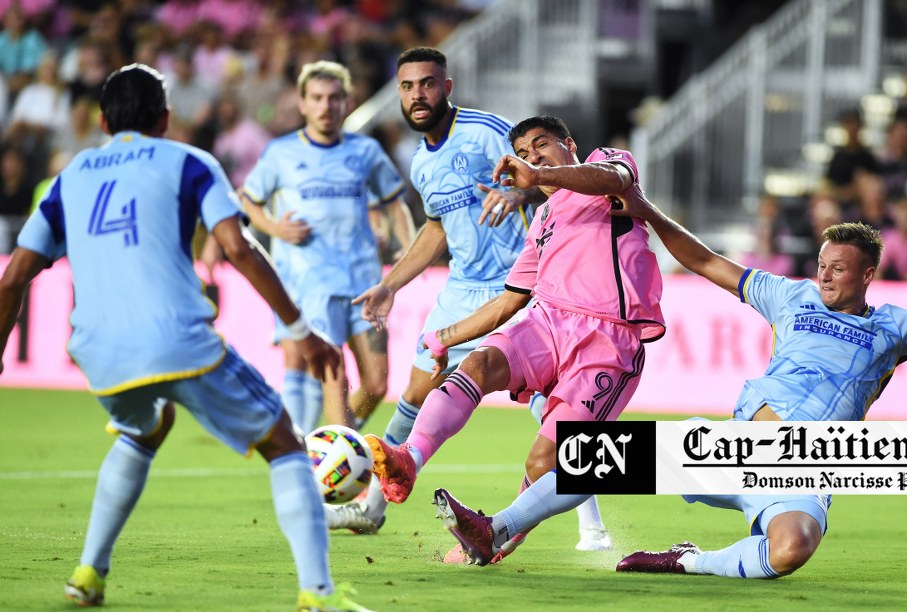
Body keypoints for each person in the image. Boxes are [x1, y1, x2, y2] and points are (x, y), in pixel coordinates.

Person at [0, 64, 384, 612]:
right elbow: (238, 247)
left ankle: (88, 573)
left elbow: (13, 279)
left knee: (146, 427)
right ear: (166, 117)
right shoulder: (187, 161)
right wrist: (300, 328)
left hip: (96, 350)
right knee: (284, 444)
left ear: (103, 120)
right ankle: (319, 595)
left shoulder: (71, 175)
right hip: (179, 339)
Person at [606, 183, 907, 579]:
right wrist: (647, 211)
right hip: (741, 446)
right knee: (588, 461)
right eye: (822, 265)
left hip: (808, 466)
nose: (823, 276)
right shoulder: (791, 294)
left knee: (789, 551)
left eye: (837, 269)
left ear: (867, 275)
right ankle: (545, 516)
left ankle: (689, 561)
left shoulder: (895, 327)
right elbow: (706, 261)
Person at [325, 47, 614, 554]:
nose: (419, 95)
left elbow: (544, 173)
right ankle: (373, 505)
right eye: (408, 87)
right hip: (461, 290)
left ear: (447, 86)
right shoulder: (420, 162)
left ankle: (592, 525)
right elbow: (437, 228)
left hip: (519, 288)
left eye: (428, 84)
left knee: (554, 412)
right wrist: (392, 284)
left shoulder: (485, 130)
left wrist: (523, 193)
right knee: (414, 394)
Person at [369, 115, 665, 566]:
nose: (533, 157)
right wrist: (443, 337)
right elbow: (509, 301)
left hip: (608, 340)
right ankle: (409, 459)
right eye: (524, 154)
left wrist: (540, 175)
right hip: (545, 321)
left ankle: (499, 533)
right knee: (477, 366)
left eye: (542, 145)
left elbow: (617, 178)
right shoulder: (542, 220)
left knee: (545, 461)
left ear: (570, 143)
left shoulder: (608, 166)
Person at [241, 60, 415, 435]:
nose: (326, 106)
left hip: (364, 282)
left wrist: (406, 245)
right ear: (302, 103)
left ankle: (329, 450)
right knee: (333, 372)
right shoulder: (281, 153)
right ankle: (333, 467)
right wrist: (274, 228)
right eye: (317, 98)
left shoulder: (365, 151)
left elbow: (393, 202)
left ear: (347, 102)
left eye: (334, 98)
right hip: (310, 282)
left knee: (376, 385)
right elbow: (247, 200)